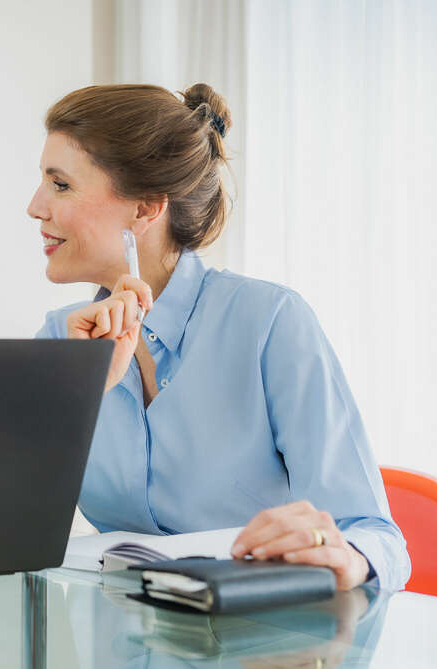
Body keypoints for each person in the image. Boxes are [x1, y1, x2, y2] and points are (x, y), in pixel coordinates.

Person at [28, 83, 409, 591]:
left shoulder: (269, 323)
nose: (35, 207)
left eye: (60, 185)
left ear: (145, 209)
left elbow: (376, 536)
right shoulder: (62, 337)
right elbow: (10, 531)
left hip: (268, 642)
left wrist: (346, 557)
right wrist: (74, 392)